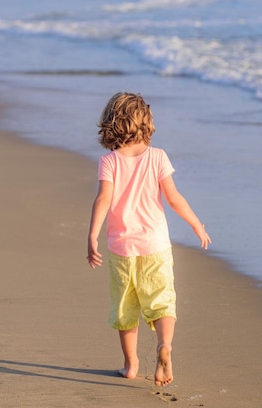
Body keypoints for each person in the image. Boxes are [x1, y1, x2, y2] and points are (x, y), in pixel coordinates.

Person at [87, 92, 211, 387]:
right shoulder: (158, 157)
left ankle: (131, 366)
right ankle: (164, 346)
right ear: (147, 123)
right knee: (162, 301)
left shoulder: (109, 161)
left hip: (122, 249)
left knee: (125, 309)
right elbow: (173, 198)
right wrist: (196, 224)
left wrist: (92, 236)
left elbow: (103, 199)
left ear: (111, 124)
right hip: (155, 246)